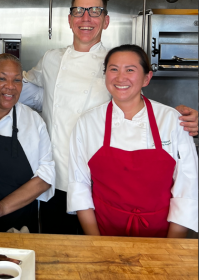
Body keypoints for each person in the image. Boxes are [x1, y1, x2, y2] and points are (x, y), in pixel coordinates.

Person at [21, 0, 199, 235]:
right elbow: (19, 87)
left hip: (105, 186)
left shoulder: (114, 63)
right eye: (79, 11)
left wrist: (182, 119)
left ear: (106, 21)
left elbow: (141, 108)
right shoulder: (50, 59)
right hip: (58, 179)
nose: (86, 18)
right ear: (69, 19)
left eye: (95, 11)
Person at [67, 44, 198, 238]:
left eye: (130, 70)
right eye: (113, 69)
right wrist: (96, 243)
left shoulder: (172, 120)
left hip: (162, 237)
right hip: (104, 234)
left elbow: (186, 189)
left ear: (147, 78)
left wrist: (171, 246)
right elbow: (79, 187)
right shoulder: (88, 122)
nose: (120, 78)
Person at [0, 54, 55, 233]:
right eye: (2, 78)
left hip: (17, 224)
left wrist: (3, 207)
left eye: (17, 80)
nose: (10, 86)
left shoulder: (33, 121)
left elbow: (46, 176)